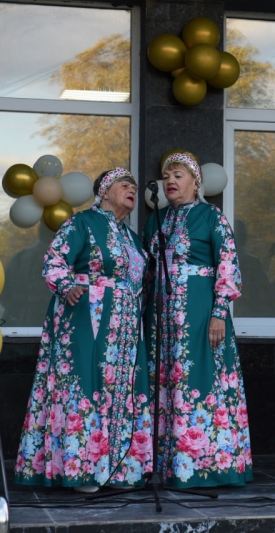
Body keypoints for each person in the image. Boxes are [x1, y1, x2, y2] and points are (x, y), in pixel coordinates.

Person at [14, 168, 151, 492]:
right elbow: (54, 261)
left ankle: (118, 470)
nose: (131, 189)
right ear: (104, 191)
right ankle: (84, 470)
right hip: (86, 316)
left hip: (125, 327)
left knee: (122, 392)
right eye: (124, 184)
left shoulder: (132, 237)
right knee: (87, 386)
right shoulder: (82, 223)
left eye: (134, 185)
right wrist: (66, 286)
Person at [142, 152, 252, 488]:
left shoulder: (211, 216)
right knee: (163, 382)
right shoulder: (156, 220)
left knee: (199, 378)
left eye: (178, 175)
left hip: (200, 311)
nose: (170, 181)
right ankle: (165, 464)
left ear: (195, 182)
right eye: (166, 176)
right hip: (161, 318)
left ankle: (207, 465)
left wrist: (219, 313)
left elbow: (228, 265)